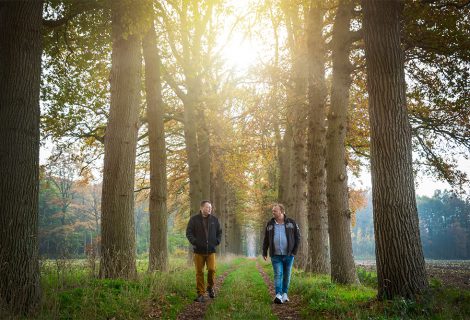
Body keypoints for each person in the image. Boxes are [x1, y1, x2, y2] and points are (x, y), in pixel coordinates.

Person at [262, 203, 300, 304]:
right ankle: (278, 294)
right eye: (272, 211)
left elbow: (297, 238)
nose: (273, 212)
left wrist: (294, 252)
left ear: (281, 211)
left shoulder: (291, 223)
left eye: (275, 211)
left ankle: (285, 294)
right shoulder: (270, 224)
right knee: (278, 274)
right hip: (275, 255)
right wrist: (264, 251)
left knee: (287, 275)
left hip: (289, 255)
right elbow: (266, 239)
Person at [186, 200, 222, 302]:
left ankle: (210, 287)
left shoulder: (215, 220)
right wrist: (195, 241)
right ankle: (200, 294)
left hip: (211, 250)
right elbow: (189, 232)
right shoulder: (194, 220)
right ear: (201, 208)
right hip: (198, 251)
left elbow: (219, 232)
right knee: (199, 272)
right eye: (207, 207)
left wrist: (217, 241)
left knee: (212, 270)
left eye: (210, 207)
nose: (210, 209)